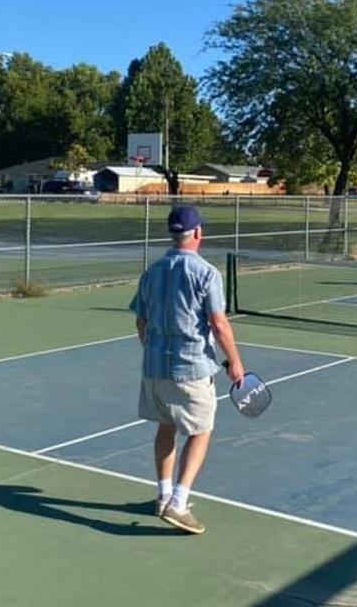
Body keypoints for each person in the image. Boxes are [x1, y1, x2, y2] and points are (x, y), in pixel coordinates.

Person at [129, 205, 246, 535]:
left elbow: (141, 320)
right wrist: (235, 361)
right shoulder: (207, 272)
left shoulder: (151, 271)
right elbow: (219, 322)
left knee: (165, 427)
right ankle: (178, 503)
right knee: (200, 431)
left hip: (153, 369)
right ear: (197, 233)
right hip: (190, 368)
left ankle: (163, 496)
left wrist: (153, 350)